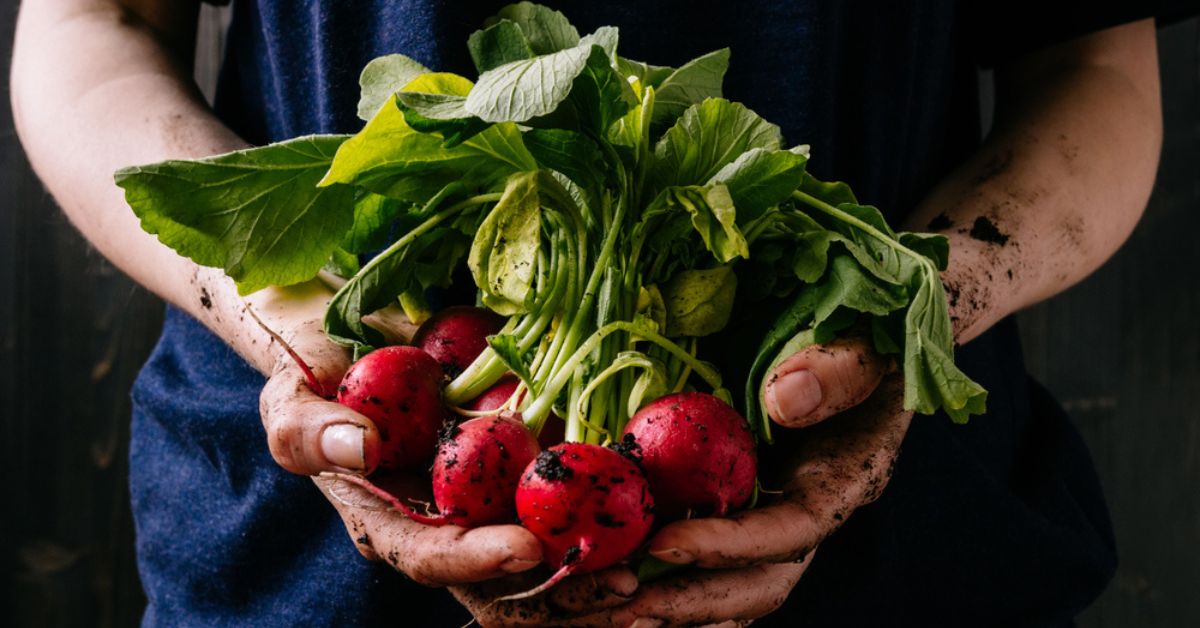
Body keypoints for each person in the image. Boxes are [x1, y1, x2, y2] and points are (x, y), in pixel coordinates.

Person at [10, 1, 1173, 626]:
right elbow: (90, 26)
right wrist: (277, 311)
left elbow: (1094, 72)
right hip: (296, 571)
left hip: (904, 561)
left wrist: (906, 310)